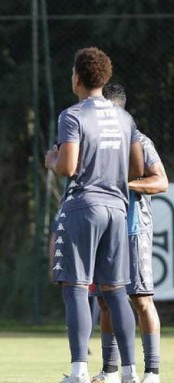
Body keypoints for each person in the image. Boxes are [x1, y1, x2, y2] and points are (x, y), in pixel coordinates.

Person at [44, 48, 144, 383]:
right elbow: (137, 168)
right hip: (117, 209)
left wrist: (52, 160)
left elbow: (68, 166)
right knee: (116, 291)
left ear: (77, 77)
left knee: (75, 286)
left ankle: (79, 371)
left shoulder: (72, 116)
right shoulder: (124, 118)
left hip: (83, 206)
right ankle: (130, 372)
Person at [90, 83, 167, 383]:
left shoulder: (139, 141)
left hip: (134, 229)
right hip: (103, 230)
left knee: (142, 299)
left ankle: (152, 371)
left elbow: (160, 182)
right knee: (105, 300)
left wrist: (124, 185)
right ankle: (110, 370)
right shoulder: (94, 141)